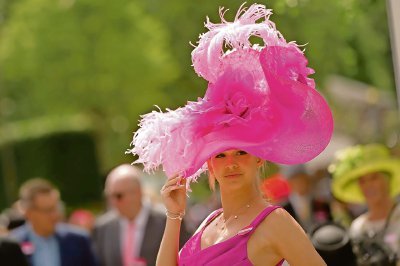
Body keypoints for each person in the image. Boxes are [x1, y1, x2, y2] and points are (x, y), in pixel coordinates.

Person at [127, 3, 333, 265]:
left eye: (241, 152)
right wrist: (174, 215)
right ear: (210, 164)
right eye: (220, 155)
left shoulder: (275, 222)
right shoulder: (208, 223)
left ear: (259, 157)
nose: (231, 163)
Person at [92, 164, 190, 266]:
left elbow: (184, 259)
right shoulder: (103, 227)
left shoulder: (169, 220)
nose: (113, 202)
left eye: (118, 196)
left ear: (137, 192)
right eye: (109, 196)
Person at [330, 143, 400, 265]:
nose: (368, 186)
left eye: (374, 178)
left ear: (387, 180)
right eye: (362, 181)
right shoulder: (357, 227)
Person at [10, 178, 97, 266]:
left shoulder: (79, 240)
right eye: (48, 210)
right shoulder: (12, 244)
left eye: (56, 208)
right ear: (29, 213)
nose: (55, 215)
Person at [281, 165, 332, 232]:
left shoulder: (320, 202)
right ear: (289, 182)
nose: (299, 183)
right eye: (295, 180)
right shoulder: (284, 209)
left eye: (301, 178)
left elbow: (328, 224)